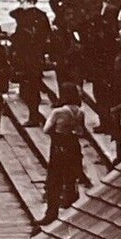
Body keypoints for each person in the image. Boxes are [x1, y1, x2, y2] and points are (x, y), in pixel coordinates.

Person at [41, 82, 88, 224]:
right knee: (70, 178)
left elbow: (46, 129)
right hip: (73, 146)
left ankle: (51, 213)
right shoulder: (80, 112)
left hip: (58, 145)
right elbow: (80, 131)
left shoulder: (58, 112)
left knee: (54, 180)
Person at [10, 0, 52, 128]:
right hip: (37, 57)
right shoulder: (42, 15)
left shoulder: (23, 17)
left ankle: (33, 116)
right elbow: (47, 34)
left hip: (25, 58)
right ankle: (35, 114)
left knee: (29, 88)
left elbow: (13, 13)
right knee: (34, 86)